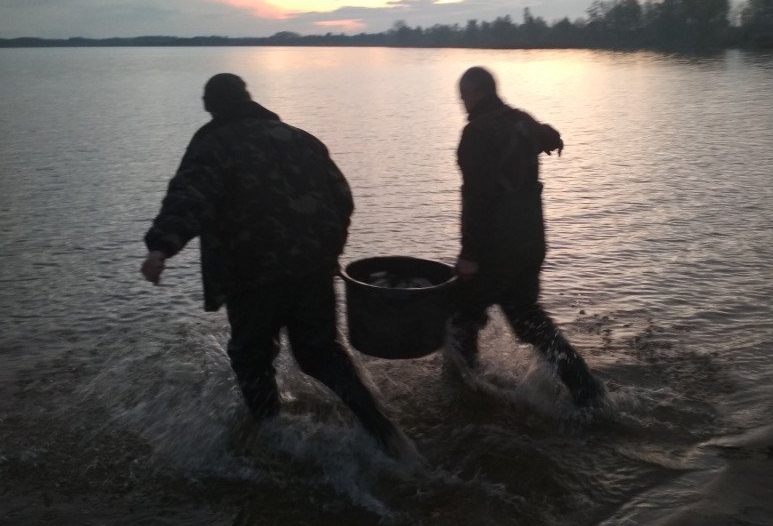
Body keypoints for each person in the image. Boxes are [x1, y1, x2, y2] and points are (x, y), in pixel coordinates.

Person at [140, 73, 410, 458]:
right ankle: (384, 431)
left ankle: (271, 440)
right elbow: (342, 199)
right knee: (321, 353)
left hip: (252, 275)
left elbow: (189, 198)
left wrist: (160, 248)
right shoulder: (301, 140)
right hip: (313, 270)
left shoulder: (214, 144)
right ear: (248, 98)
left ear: (211, 106)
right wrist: (328, 251)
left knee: (252, 357)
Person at [445, 66, 605, 408]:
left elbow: (477, 197)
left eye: (463, 96)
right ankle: (588, 391)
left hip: (496, 247)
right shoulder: (521, 120)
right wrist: (547, 139)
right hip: (531, 241)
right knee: (527, 317)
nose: (462, 103)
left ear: (473, 93)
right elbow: (551, 137)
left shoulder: (476, 133)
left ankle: (466, 392)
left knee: (459, 311)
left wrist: (469, 255)